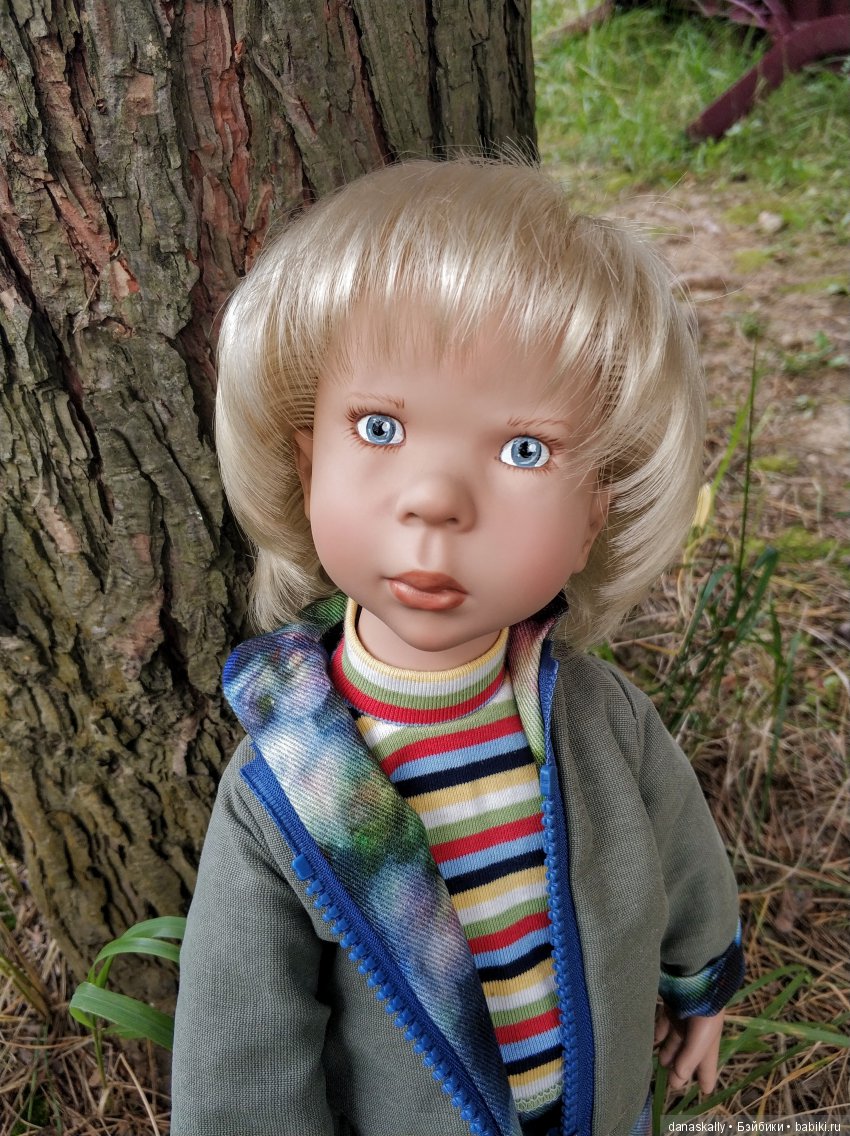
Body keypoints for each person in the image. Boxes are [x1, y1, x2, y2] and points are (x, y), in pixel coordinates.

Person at [171, 158, 744, 1136]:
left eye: (525, 450)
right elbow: (246, 1042)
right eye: (379, 426)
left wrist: (700, 984)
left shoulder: (599, 719)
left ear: (595, 510)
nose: (435, 499)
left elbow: (683, 856)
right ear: (306, 462)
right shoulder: (291, 781)